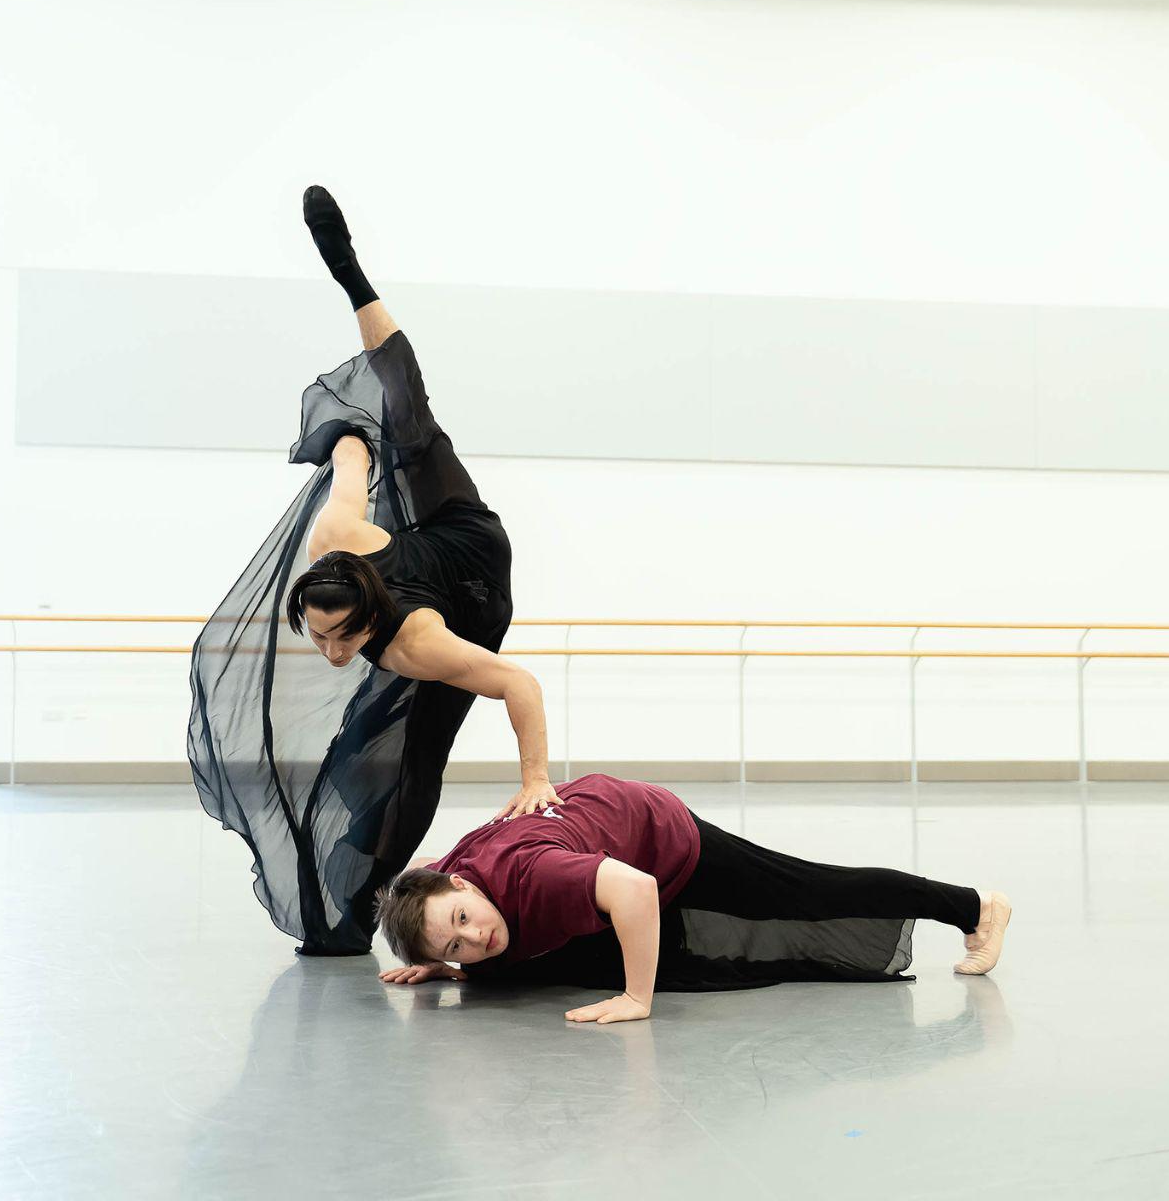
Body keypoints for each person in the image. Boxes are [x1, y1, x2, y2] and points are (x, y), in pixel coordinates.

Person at [188, 186, 561, 957]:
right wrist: (348, 432)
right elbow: (353, 454)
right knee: (390, 420)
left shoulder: (414, 647)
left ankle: (352, 275)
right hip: (409, 557)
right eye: (318, 639)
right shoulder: (341, 532)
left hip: (471, 565)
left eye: (338, 640)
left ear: (367, 618)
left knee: (414, 414)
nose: (329, 654)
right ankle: (361, 892)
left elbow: (518, 683)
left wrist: (535, 780)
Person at [373, 773, 1012, 1024]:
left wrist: (637, 997)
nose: (474, 939)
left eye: (463, 921)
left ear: (465, 885)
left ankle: (974, 907)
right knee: (498, 976)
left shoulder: (536, 874)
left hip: (660, 839)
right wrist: (439, 952)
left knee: (805, 891)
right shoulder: (446, 879)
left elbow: (637, 888)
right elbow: (422, 874)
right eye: (455, 941)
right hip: (598, 830)